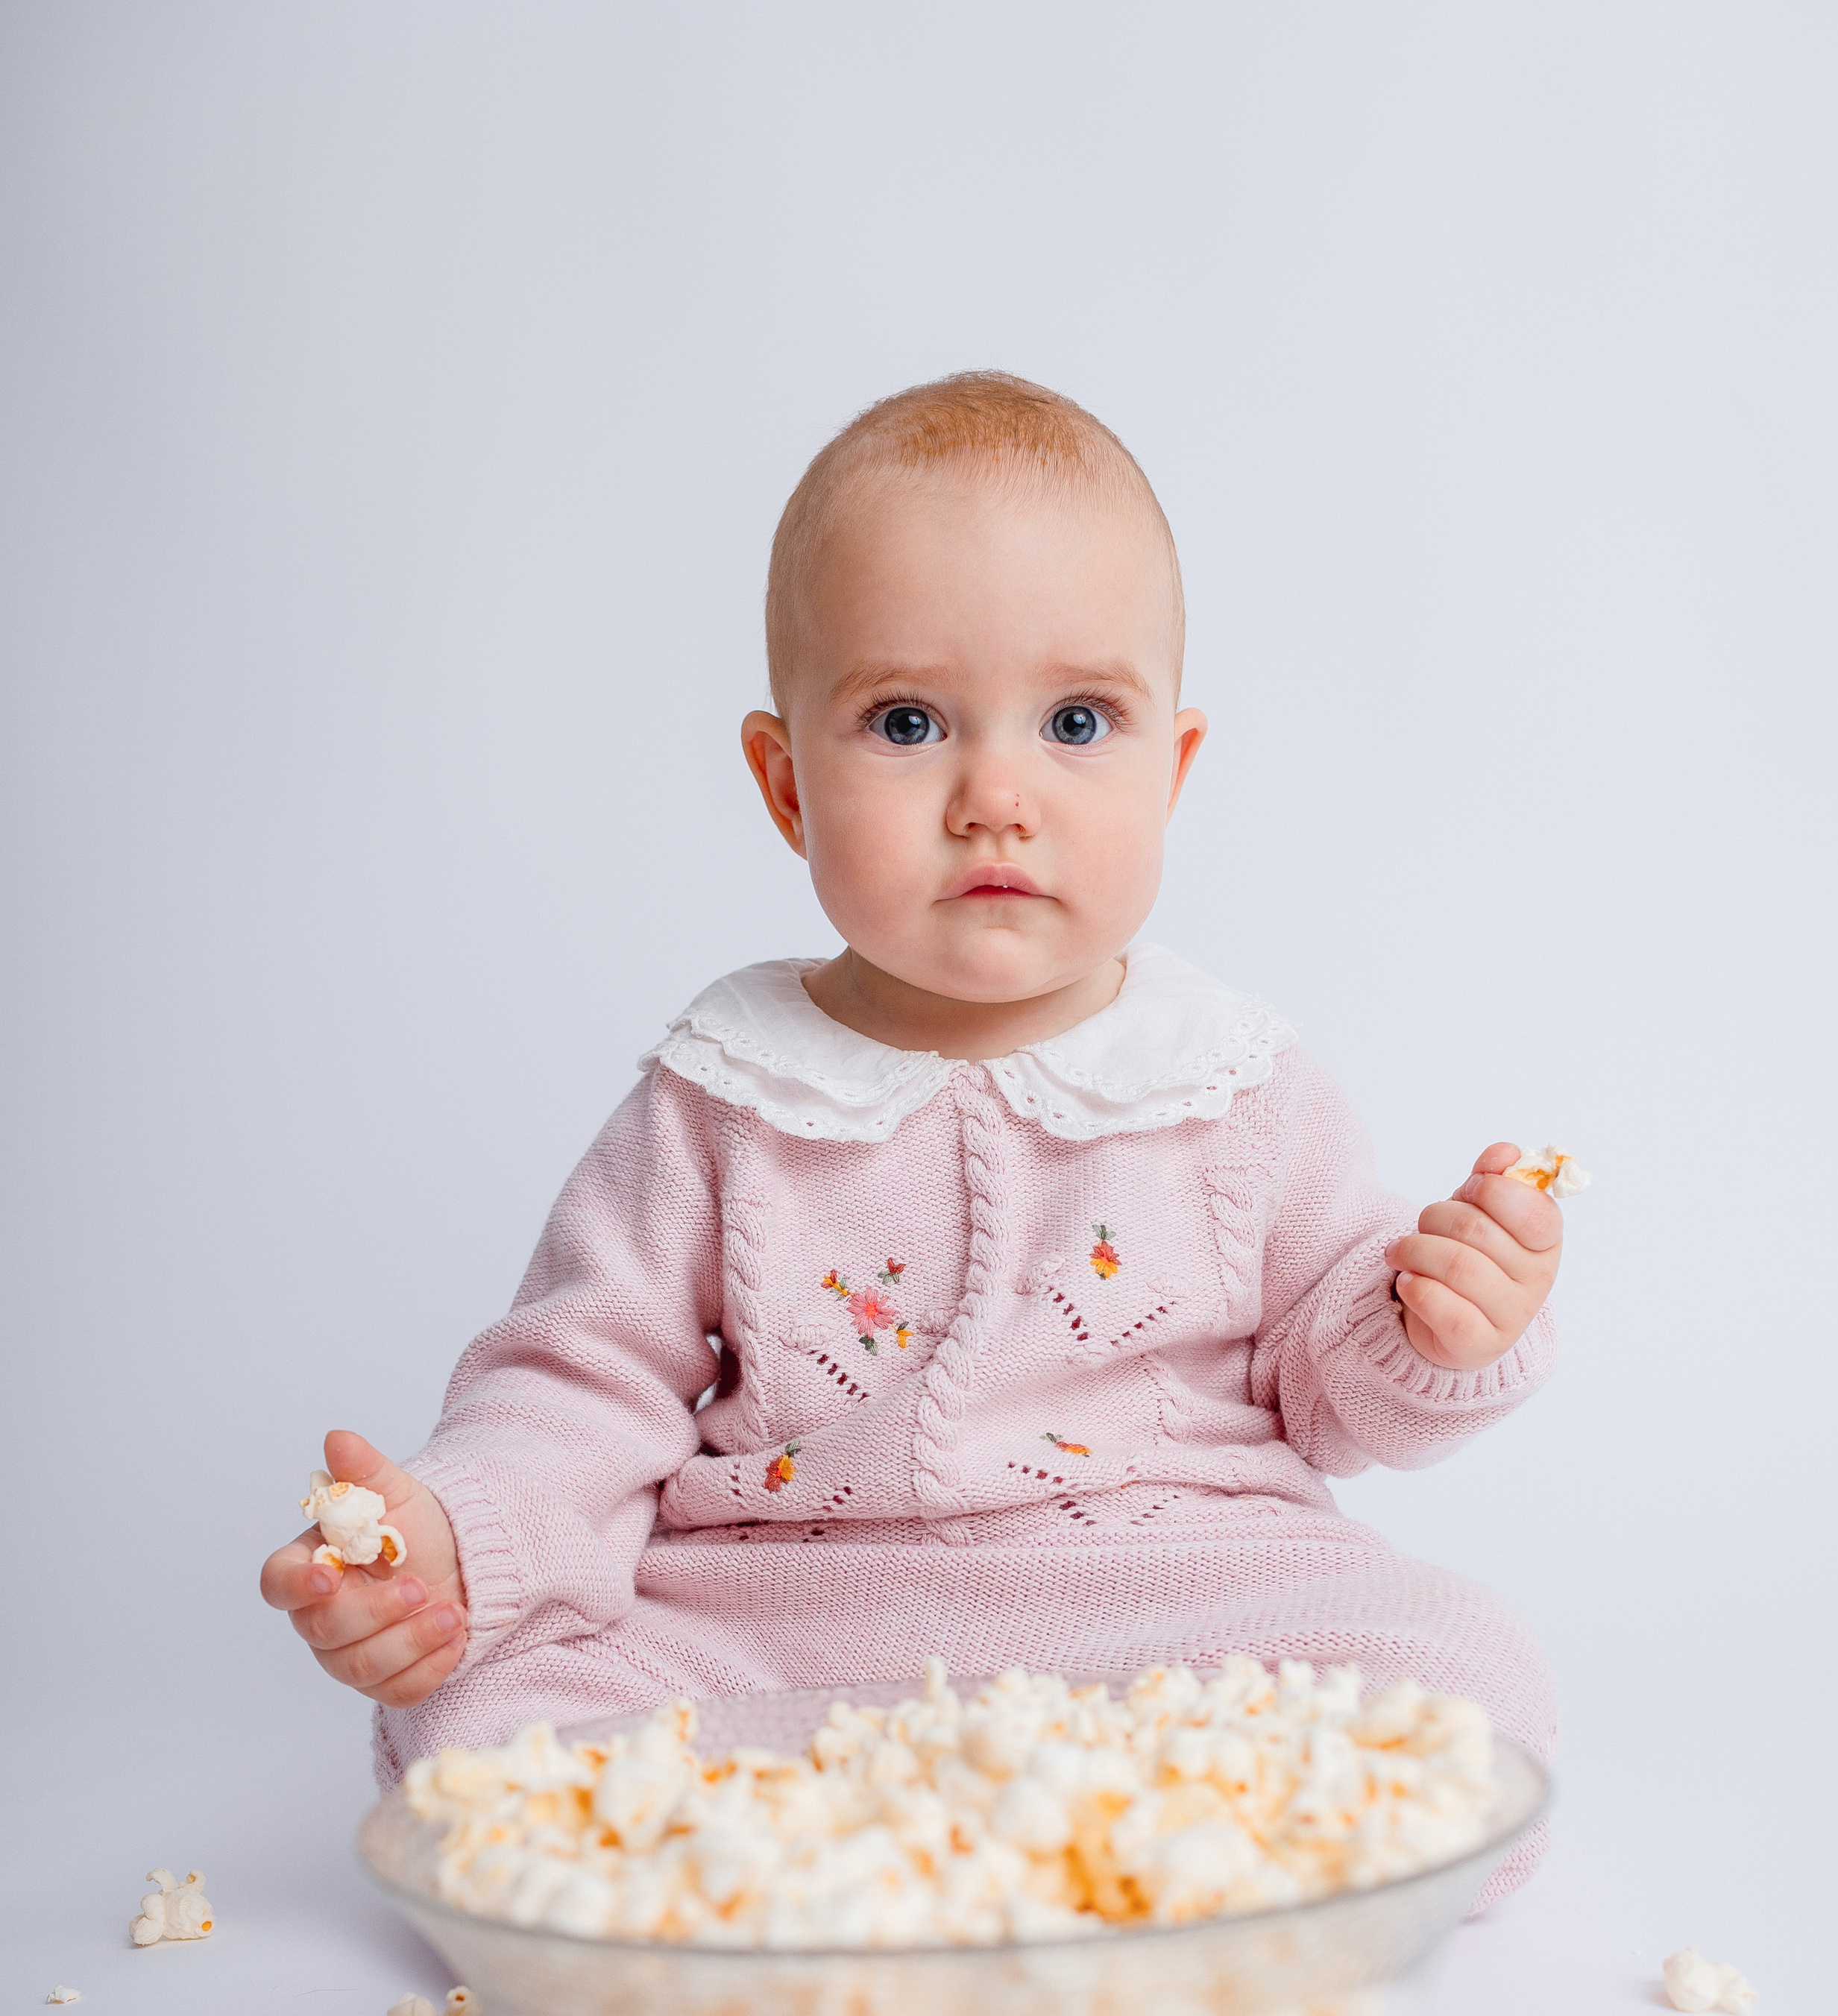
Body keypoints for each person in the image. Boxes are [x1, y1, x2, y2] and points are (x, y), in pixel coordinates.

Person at [260, 371, 1565, 1896]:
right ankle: (875, 1880)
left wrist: (1435, 1322)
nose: (993, 797)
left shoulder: (1232, 1079)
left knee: (1468, 1677)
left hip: (1177, 1599)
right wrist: (456, 1542)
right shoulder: (723, 1092)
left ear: (1173, 768)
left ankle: (1113, 1865)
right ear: (782, 782)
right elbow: (583, 1380)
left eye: (1077, 720)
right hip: (776, 1621)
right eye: (904, 722)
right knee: (487, 1724)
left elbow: (1334, 1395)